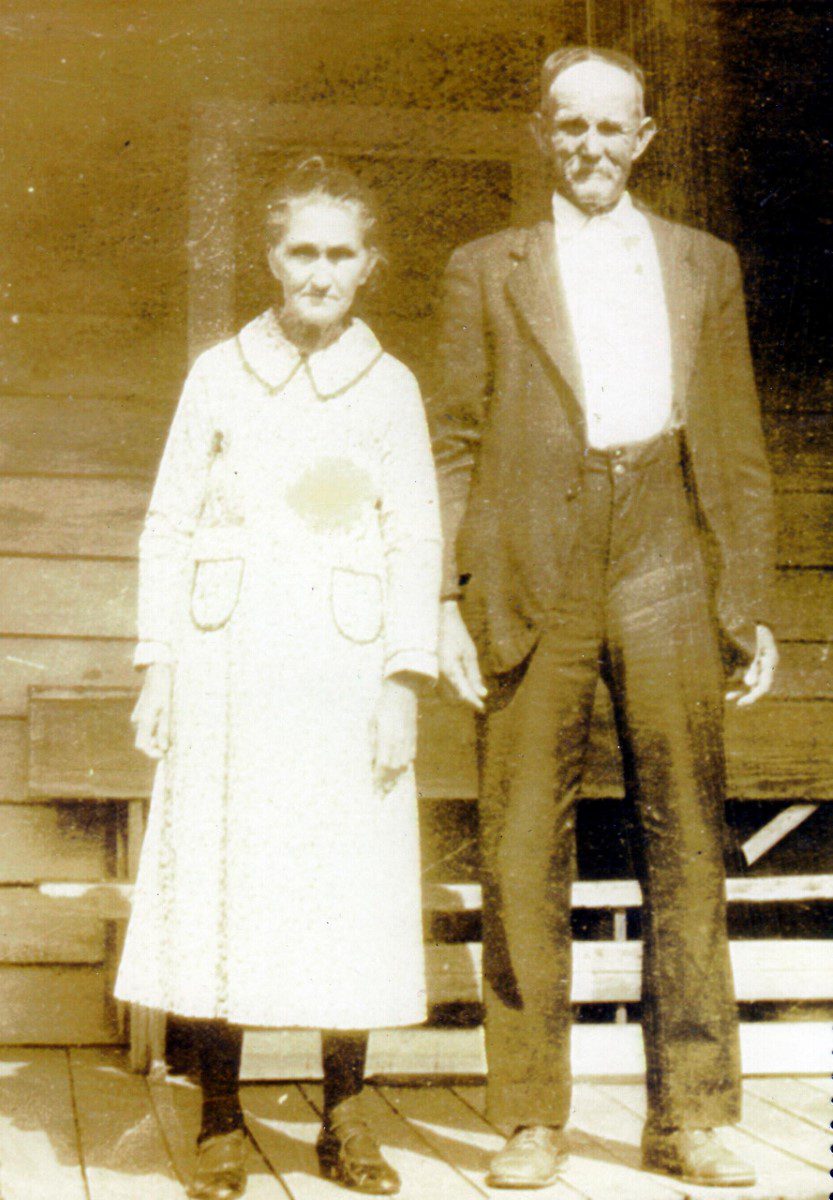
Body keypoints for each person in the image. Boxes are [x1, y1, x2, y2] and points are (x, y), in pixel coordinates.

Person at [430, 47, 778, 1190]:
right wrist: (446, 592)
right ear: (542, 134)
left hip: (663, 550)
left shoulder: (700, 263)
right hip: (531, 558)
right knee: (522, 834)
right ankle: (529, 1116)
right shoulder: (486, 268)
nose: (587, 145)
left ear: (641, 139)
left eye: (608, 127)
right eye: (566, 126)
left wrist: (744, 599)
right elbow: (457, 445)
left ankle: (691, 1117)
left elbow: (729, 439)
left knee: (685, 835)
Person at [116, 156, 441, 1200]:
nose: (319, 269)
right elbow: (169, 520)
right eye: (301, 249)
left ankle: (343, 1118)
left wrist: (401, 680)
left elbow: (415, 538)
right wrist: (158, 663)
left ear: (369, 266)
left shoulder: (390, 388)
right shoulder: (218, 372)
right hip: (228, 664)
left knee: (347, 882)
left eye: (340, 252)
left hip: (343, 672)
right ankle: (218, 1115)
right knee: (225, 874)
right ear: (270, 258)